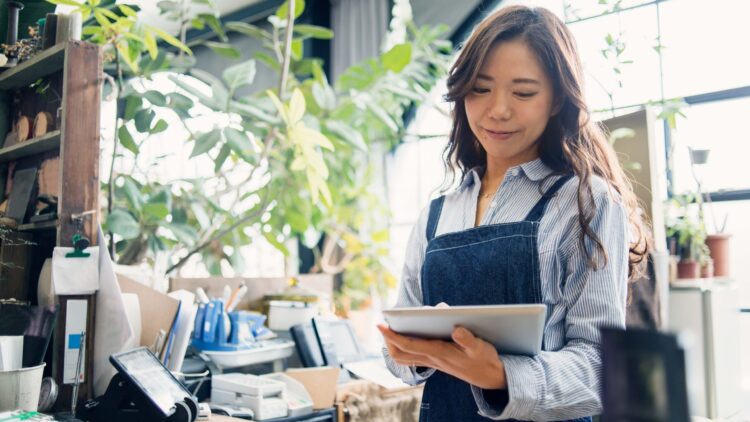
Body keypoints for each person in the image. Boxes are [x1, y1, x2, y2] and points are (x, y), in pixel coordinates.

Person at [378, 5, 650, 422]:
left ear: (557, 98)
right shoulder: (436, 213)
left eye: (523, 93)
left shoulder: (585, 201)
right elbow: (399, 354)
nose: (498, 110)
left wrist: (503, 375)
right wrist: (412, 353)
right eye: (481, 89)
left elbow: (600, 367)